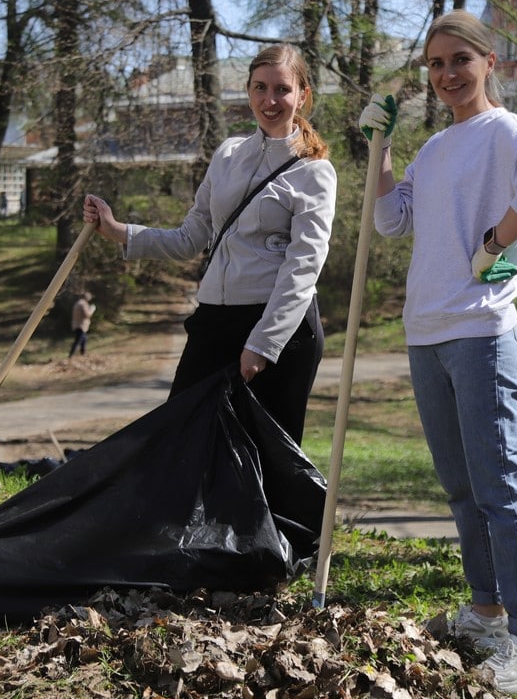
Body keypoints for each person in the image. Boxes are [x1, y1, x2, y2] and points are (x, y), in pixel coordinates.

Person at [357, 9, 517, 694]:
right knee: (460, 488)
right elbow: (389, 220)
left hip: (481, 332)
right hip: (425, 332)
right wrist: (382, 150)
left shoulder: (506, 132)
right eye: (436, 64)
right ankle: (484, 609)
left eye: (460, 61)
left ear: (490, 65)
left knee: (502, 487)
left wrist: (492, 244)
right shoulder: (435, 149)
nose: (448, 74)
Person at [82, 43, 336, 444]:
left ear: (303, 95)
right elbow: (190, 237)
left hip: (278, 330)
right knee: (181, 442)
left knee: (267, 463)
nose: (270, 100)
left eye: (282, 90)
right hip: (215, 319)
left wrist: (264, 343)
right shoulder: (228, 154)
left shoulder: (314, 172)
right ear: (249, 91)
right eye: (260, 88)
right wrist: (118, 231)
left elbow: (303, 267)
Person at [68, 292, 96, 357]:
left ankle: (82, 353)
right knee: (78, 341)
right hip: (81, 325)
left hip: (76, 324)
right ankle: (71, 355)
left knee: (84, 338)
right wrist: (92, 309)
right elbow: (87, 314)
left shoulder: (77, 303)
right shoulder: (83, 304)